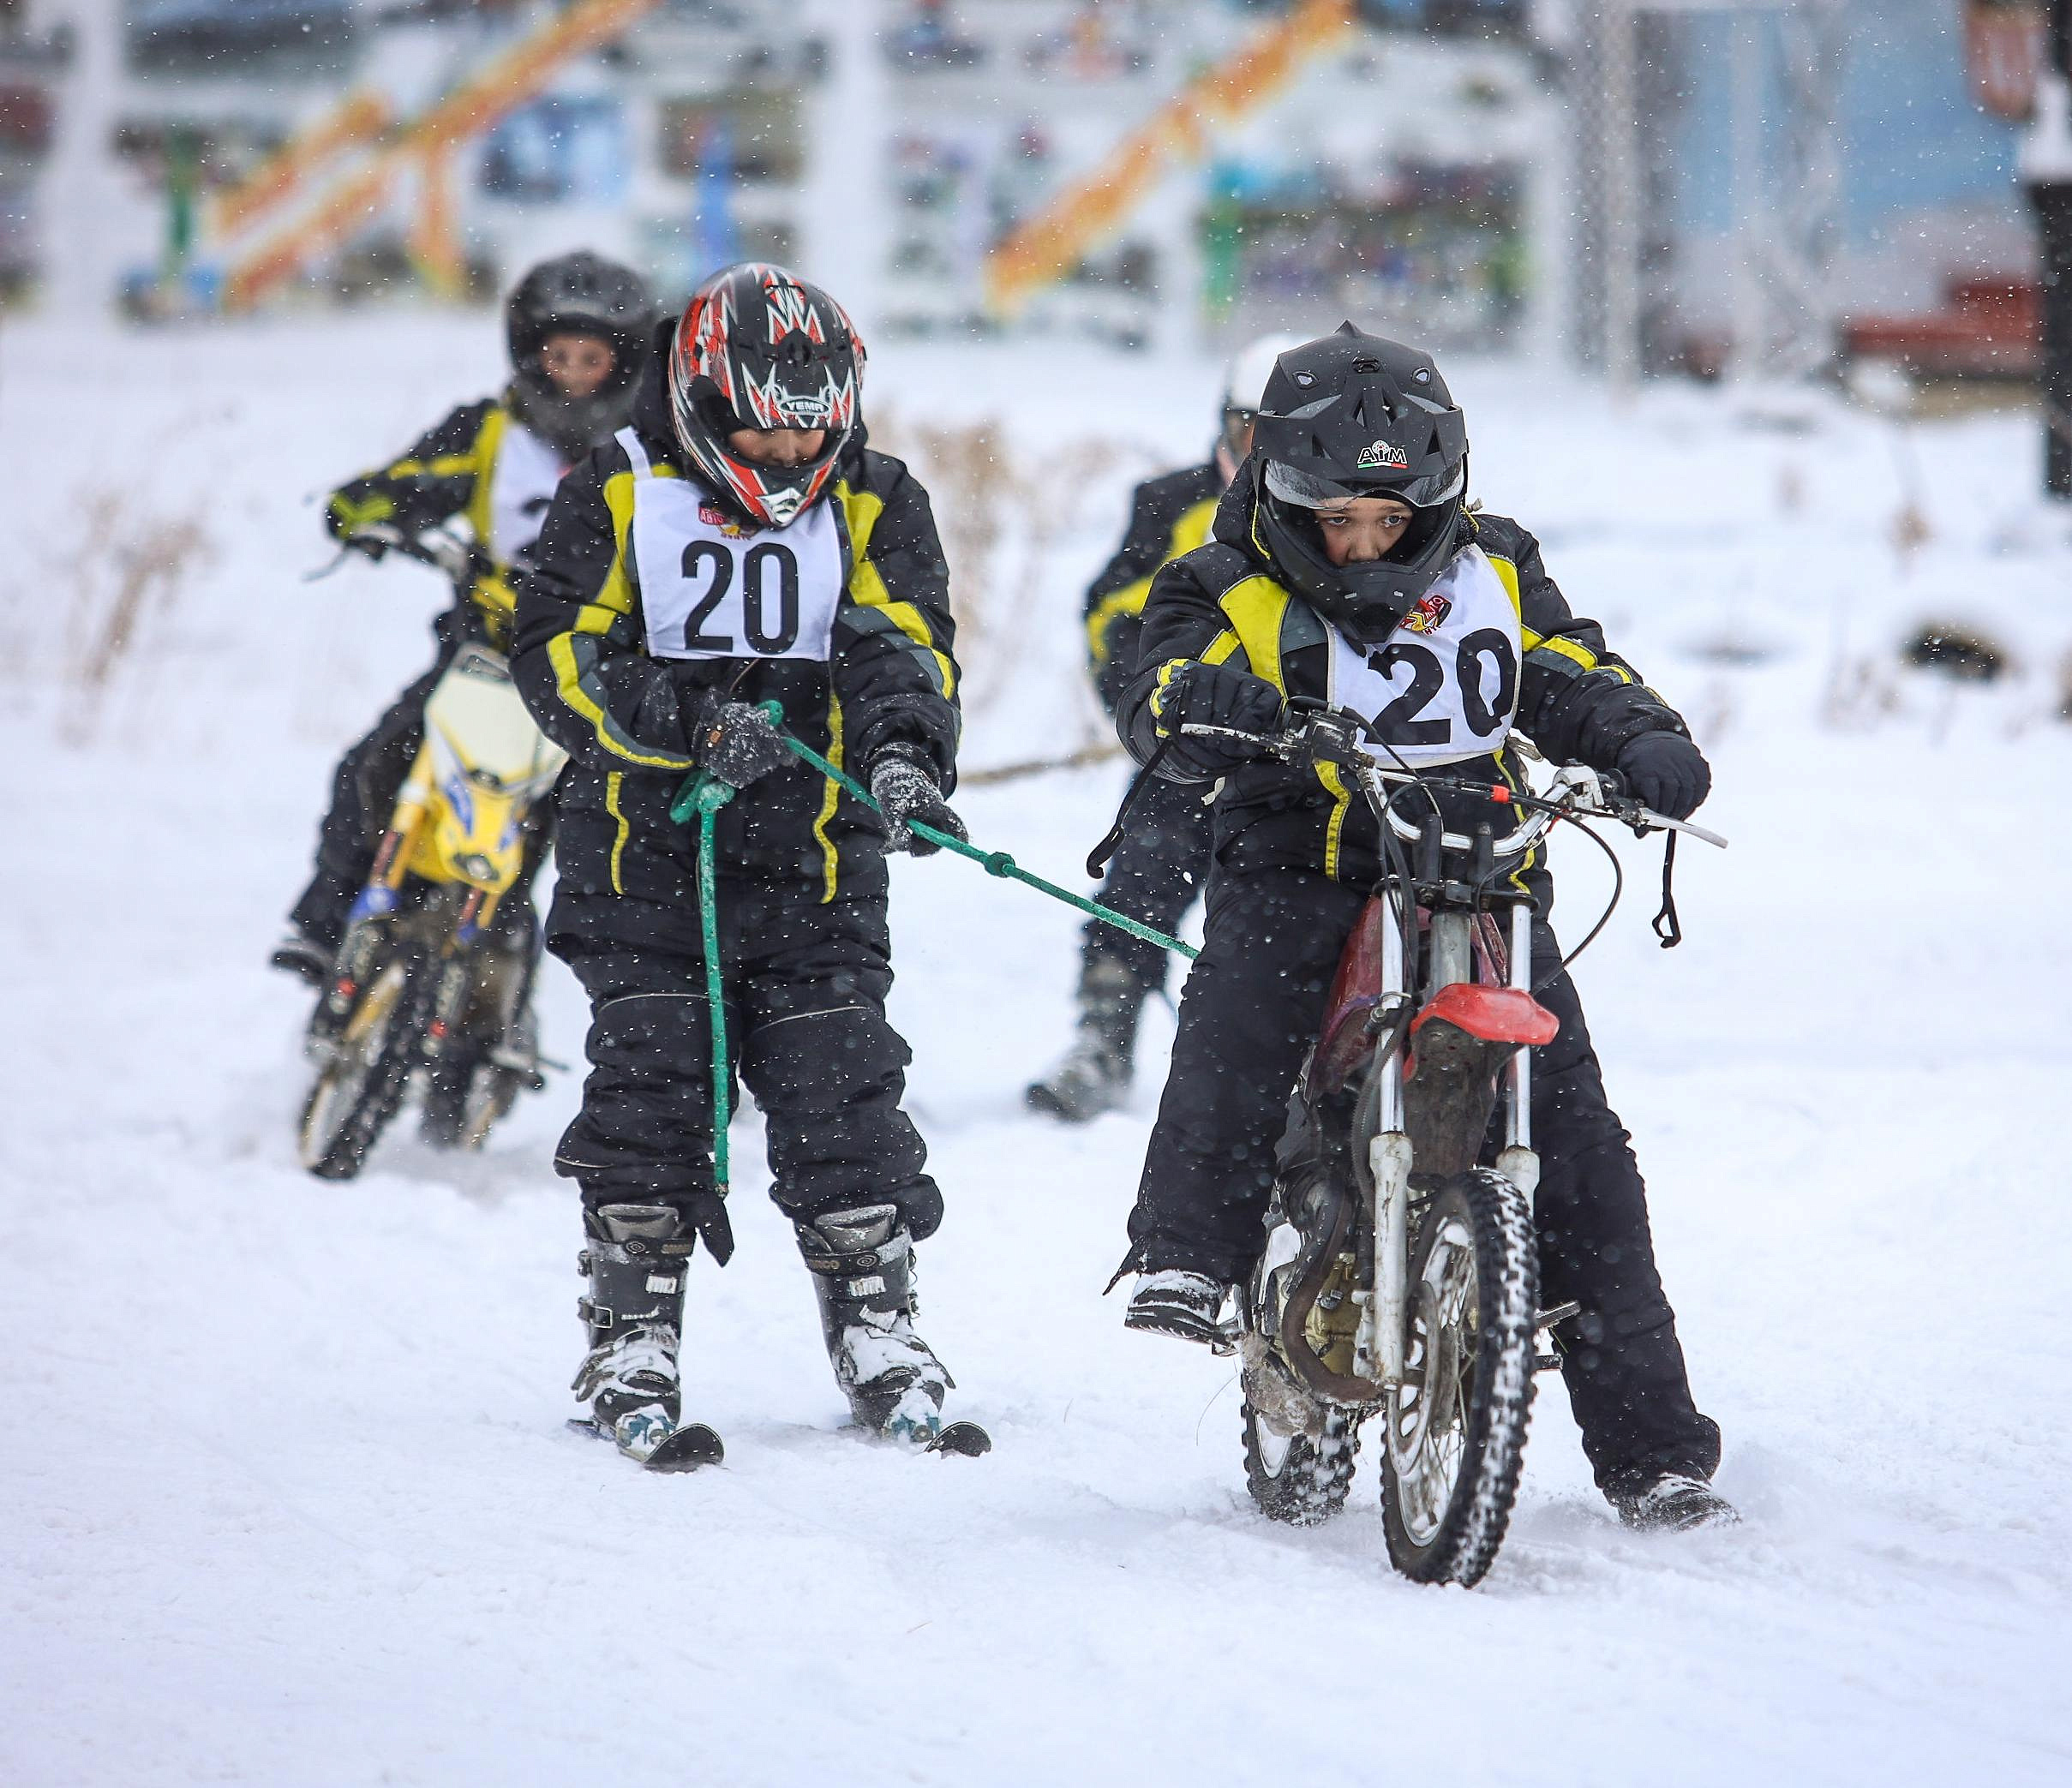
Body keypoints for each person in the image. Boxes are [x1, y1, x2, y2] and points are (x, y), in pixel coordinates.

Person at [1111, 325, 1734, 1532]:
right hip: (1305, 855)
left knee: (1580, 1147)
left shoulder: (1495, 563)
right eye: (1333, 518)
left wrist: (1634, 732)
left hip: (1482, 868)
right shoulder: (1214, 574)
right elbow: (1158, 684)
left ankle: (1654, 1452)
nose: (1359, 542)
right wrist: (1200, 701)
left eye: (1387, 520)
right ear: (1276, 489)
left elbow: (1560, 662)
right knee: (1236, 1025)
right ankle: (1187, 1247)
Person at [510, 261, 970, 1463]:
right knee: (654, 1084)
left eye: (807, 424)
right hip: (642, 857)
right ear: (705, 401)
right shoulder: (616, 485)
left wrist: (908, 758)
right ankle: (629, 1329)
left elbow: (902, 648)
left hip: (816, 864)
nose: (785, 449)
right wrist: (683, 719)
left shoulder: (874, 498)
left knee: (843, 1082)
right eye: (761, 424)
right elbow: (556, 653)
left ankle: (878, 1320)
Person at [271, 251, 656, 990]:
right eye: (560, 355)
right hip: (481, 652)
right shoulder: (486, 433)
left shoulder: (649, 457)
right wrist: (364, 514)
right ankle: (323, 929)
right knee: (374, 764)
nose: (574, 374)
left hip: (589, 674)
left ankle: (507, 998)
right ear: (530, 353)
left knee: (558, 832)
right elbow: (399, 484)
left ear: (624, 364)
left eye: (593, 359)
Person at [1027, 332, 1302, 1121]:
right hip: (1192, 754)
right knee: (1143, 877)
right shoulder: (1174, 504)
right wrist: (1153, 700)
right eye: (1252, 431)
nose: (1263, 455)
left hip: (1304, 764)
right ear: (1224, 424)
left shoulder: (1354, 521)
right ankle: (1103, 1036)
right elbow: (1111, 612)